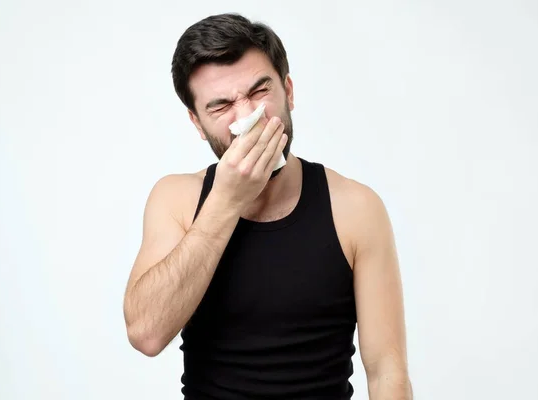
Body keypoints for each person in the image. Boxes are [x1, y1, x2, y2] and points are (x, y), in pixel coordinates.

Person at [122, 13, 412, 400]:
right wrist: (225, 202)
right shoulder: (176, 200)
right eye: (221, 106)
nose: (248, 120)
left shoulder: (355, 208)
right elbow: (146, 333)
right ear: (197, 122)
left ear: (287, 91)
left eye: (260, 92)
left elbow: (387, 371)